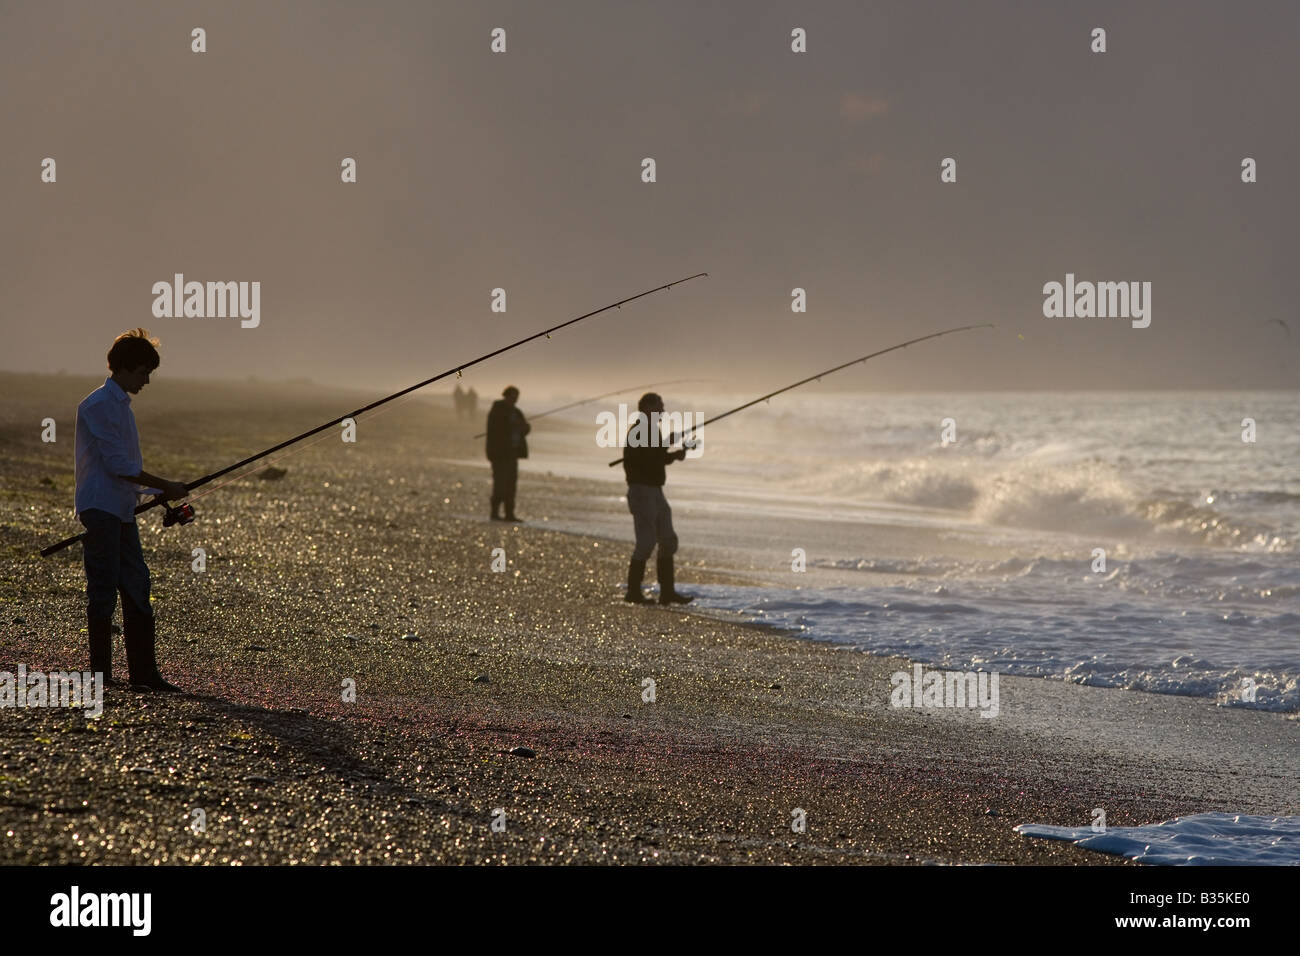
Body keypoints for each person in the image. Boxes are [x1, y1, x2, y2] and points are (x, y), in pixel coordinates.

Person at [74, 329, 188, 691]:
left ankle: (143, 673)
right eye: (142, 372)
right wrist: (165, 485)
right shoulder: (97, 405)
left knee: (137, 584)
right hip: (100, 508)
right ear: (122, 368)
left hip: (122, 509)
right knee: (104, 588)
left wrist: (161, 491)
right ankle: (101, 676)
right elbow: (118, 465)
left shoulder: (121, 405)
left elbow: (125, 468)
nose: (146, 380)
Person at [622, 392, 693, 605]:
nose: (662, 411)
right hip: (642, 492)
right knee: (646, 542)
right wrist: (668, 446)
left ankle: (667, 592)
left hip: (655, 492)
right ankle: (633, 592)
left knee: (668, 540)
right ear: (646, 409)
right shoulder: (640, 430)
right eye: (658, 407)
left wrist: (673, 453)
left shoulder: (651, 430)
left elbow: (656, 458)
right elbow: (650, 459)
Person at [485, 386, 530, 521]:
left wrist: (525, 427)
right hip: (500, 454)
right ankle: (494, 513)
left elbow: (525, 428)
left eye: (517, 396)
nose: (515, 399)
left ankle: (509, 514)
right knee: (500, 484)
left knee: (511, 485)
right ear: (507, 395)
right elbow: (496, 429)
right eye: (513, 396)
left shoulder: (517, 412)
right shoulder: (498, 409)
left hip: (513, 454)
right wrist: (513, 425)